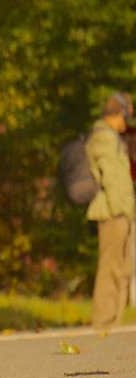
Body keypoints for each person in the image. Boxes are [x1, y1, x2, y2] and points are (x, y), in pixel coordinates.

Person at [86, 92, 136, 329]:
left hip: (121, 212)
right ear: (115, 114)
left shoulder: (112, 138)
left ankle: (114, 321)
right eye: (125, 116)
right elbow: (113, 178)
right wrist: (122, 210)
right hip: (113, 213)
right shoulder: (104, 138)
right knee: (111, 268)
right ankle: (104, 322)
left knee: (123, 267)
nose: (126, 122)